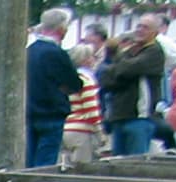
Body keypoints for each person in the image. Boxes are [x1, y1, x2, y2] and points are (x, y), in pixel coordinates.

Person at [100, 12, 166, 157]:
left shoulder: (155, 52)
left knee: (135, 163)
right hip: (119, 116)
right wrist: (121, 69)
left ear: (155, 32)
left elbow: (126, 69)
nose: (140, 30)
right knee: (116, 163)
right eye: (139, 26)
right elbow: (105, 77)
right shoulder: (129, 52)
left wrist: (119, 68)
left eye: (146, 27)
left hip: (139, 117)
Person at [27, 8, 83, 168]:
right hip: (51, 113)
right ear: (62, 29)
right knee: (45, 163)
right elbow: (75, 84)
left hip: (29, 113)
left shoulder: (29, 51)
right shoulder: (57, 53)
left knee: (28, 161)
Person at [63, 44, 105, 165]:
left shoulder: (68, 78)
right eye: (92, 57)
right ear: (85, 59)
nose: (94, 60)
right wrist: (100, 131)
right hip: (82, 130)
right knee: (82, 169)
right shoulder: (86, 79)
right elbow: (91, 109)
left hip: (66, 128)